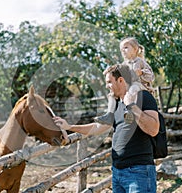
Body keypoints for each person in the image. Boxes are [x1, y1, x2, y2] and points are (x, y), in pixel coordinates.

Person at [54, 64, 159, 193]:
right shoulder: (116, 105)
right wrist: (70, 127)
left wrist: (131, 106)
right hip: (117, 172)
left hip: (139, 172)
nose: (106, 86)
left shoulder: (143, 97)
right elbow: (97, 128)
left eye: (109, 82)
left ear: (120, 80)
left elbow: (154, 129)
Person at [94, 37, 155, 125]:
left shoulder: (140, 62)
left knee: (133, 88)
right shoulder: (124, 64)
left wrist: (141, 72)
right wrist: (108, 71)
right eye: (121, 49)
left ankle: (129, 112)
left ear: (135, 49)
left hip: (140, 85)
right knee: (112, 94)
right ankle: (109, 114)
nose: (123, 50)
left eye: (126, 48)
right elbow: (116, 71)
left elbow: (151, 76)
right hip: (128, 86)